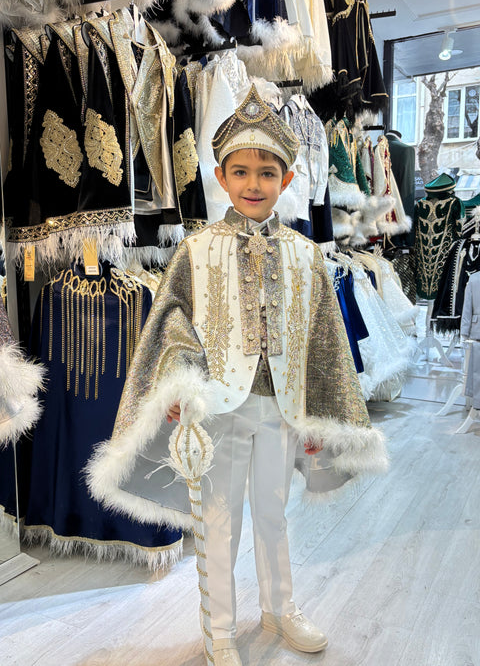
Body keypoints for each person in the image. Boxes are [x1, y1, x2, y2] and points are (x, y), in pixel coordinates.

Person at [86, 84, 388, 666]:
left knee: (274, 514)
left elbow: (324, 339)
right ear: (221, 178)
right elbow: (172, 324)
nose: (254, 184)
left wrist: (319, 414)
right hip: (219, 410)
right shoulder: (195, 251)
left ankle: (280, 608)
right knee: (219, 521)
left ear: (287, 179)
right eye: (241, 172)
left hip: (281, 409)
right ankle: (219, 629)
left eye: (267, 173)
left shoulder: (306, 255)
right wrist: (179, 383)